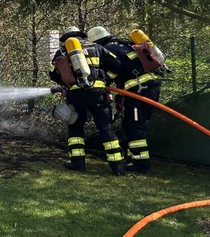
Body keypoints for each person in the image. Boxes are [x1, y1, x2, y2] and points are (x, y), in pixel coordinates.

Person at [49, 26, 126, 175]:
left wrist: (66, 83)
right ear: (81, 36)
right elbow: (117, 65)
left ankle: (78, 164)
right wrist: (107, 78)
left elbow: (53, 74)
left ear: (66, 39)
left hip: (75, 95)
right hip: (97, 93)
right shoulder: (97, 47)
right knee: (105, 127)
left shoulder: (62, 52)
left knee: (76, 127)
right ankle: (117, 166)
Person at [88, 26, 162, 174]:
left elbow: (115, 69)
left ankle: (141, 164)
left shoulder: (108, 50)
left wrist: (104, 82)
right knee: (130, 124)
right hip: (148, 87)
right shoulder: (124, 44)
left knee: (134, 126)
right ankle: (133, 158)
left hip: (138, 90)